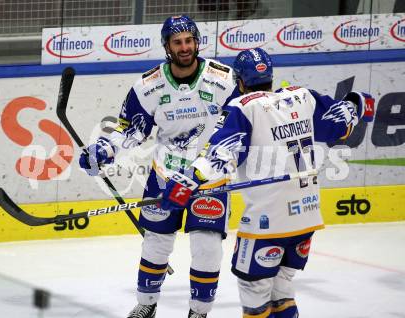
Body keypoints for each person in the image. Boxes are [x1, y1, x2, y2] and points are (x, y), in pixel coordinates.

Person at [160, 48, 375, 317]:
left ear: (239, 82)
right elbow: (342, 122)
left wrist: (187, 181)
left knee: (256, 299)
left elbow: (220, 156)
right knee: (282, 291)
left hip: (267, 223)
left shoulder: (242, 108)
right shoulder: (302, 97)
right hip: (306, 218)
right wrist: (357, 101)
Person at [79, 15, 240, 318]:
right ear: (167, 46)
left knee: (207, 247)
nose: (184, 47)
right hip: (165, 174)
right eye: (177, 42)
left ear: (196, 42)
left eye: (189, 41)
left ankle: (198, 312)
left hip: (210, 179)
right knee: (155, 244)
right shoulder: (147, 86)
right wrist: (105, 149)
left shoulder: (224, 79)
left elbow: (241, 126)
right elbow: (132, 130)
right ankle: (146, 304)